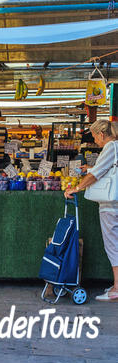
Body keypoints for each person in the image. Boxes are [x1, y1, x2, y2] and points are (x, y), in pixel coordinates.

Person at [65, 120, 118, 301]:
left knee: (112, 244)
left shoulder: (110, 147)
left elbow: (97, 174)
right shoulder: (116, 146)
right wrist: (90, 168)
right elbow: (106, 169)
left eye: (95, 137)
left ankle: (117, 288)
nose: (95, 141)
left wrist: (77, 188)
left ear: (101, 134)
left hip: (111, 205)